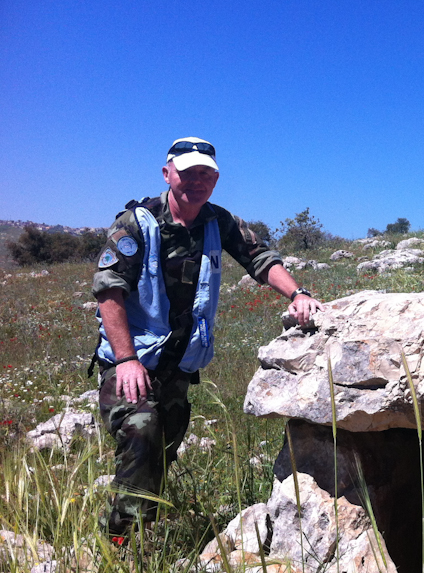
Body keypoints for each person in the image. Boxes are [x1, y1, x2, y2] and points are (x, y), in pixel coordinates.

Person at [91, 137, 323, 537]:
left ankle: (144, 534)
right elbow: (109, 291)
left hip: (178, 364)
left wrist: (297, 294)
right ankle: (122, 546)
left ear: (215, 180)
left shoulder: (220, 222)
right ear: (168, 174)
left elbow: (259, 259)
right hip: (131, 360)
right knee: (142, 431)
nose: (197, 181)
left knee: (163, 447)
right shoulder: (136, 223)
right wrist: (127, 360)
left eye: (206, 174)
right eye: (187, 173)